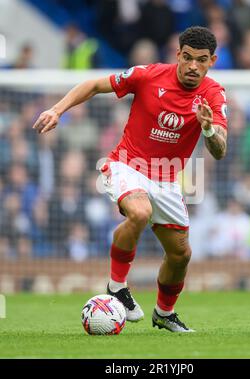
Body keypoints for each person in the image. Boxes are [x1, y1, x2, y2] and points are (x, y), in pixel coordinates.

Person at [33, 26, 228, 333]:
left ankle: (164, 313)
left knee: (181, 254)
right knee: (139, 212)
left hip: (166, 180)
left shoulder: (213, 94)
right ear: (178, 55)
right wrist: (57, 110)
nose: (193, 66)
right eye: (187, 58)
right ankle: (116, 287)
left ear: (212, 61)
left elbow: (220, 149)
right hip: (127, 165)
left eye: (201, 60)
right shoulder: (148, 75)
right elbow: (95, 84)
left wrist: (207, 129)